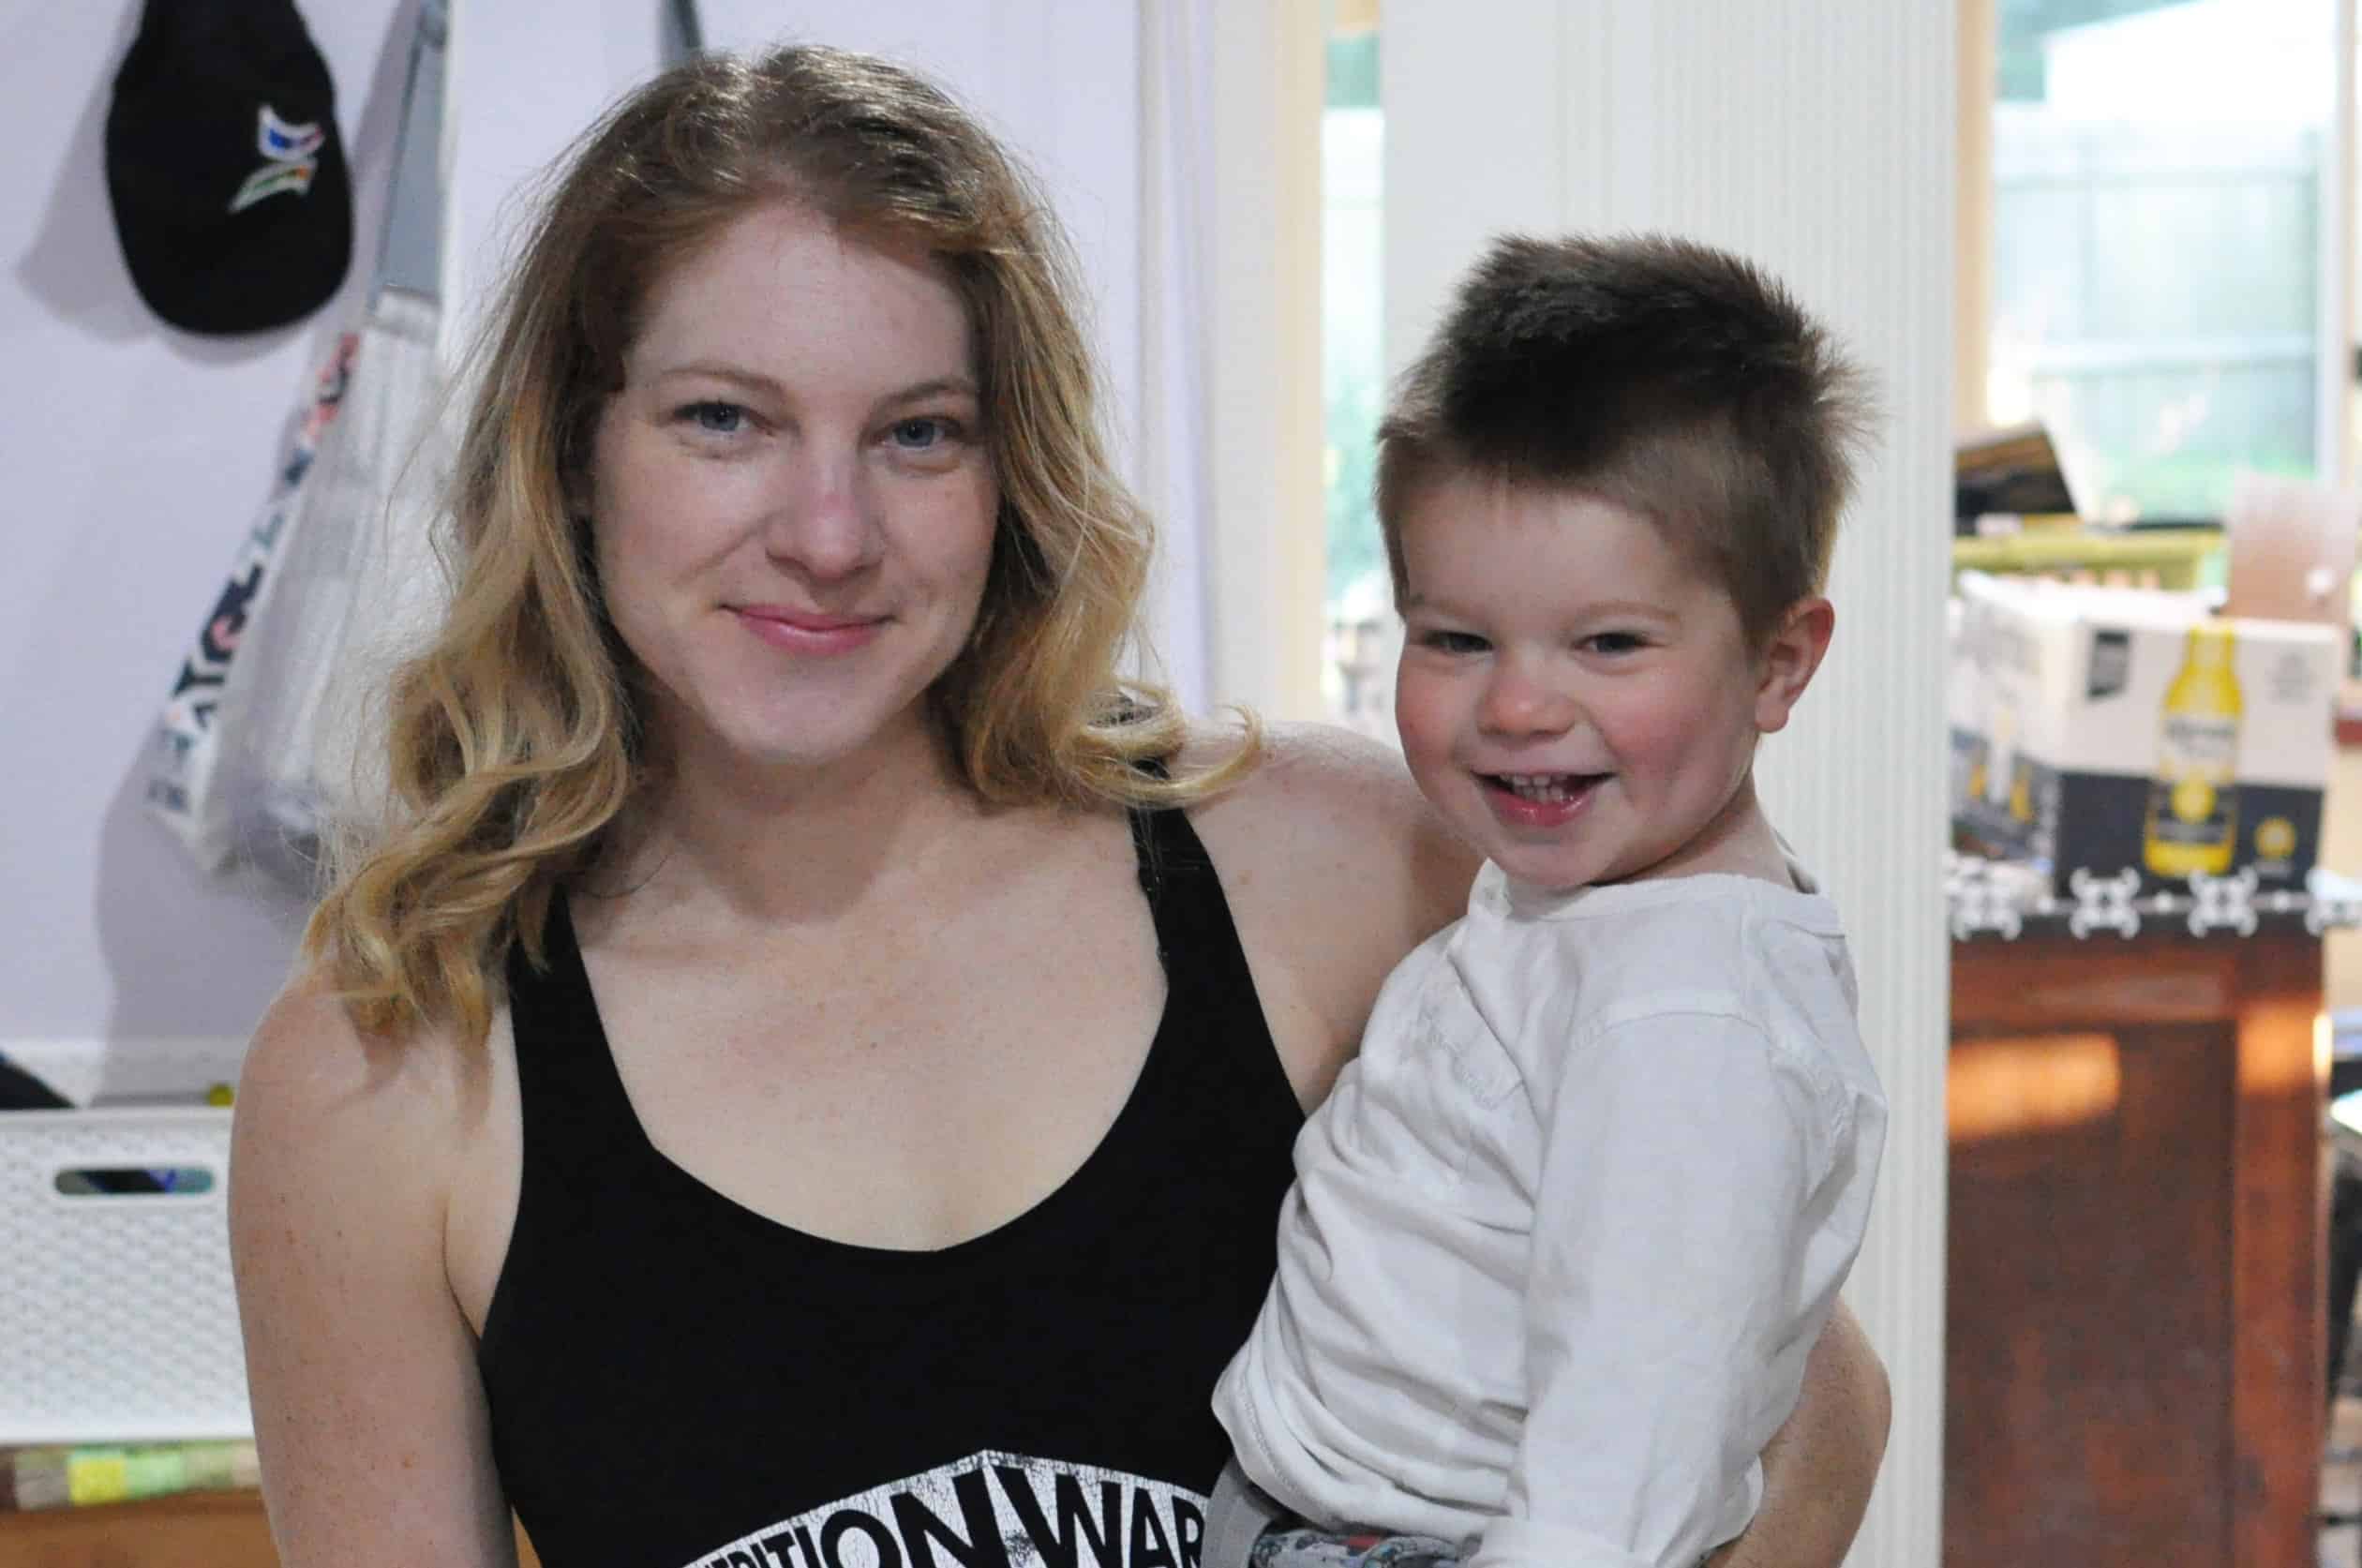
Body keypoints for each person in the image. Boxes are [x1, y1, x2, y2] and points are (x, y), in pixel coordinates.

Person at [226, 45, 1891, 1568]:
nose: (827, 532)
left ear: (1009, 471)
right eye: (724, 419)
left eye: (919, 434)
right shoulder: (386, 1070)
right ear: (573, 456)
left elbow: (1807, 1403)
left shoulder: (1343, 862)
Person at [1208, 235, 1889, 1568]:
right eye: (1456, 638)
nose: (1518, 706)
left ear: (1777, 663)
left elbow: (1622, 1478)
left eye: (1609, 643)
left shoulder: (1687, 1021)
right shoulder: (1598, 912)